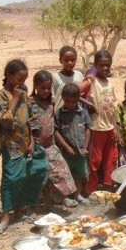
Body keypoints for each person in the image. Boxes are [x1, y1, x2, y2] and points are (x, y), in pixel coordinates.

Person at [0, 59, 48, 233]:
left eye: (24, 80)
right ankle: (6, 216)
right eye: (18, 78)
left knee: (38, 169)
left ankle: (24, 207)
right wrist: (15, 98)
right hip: (11, 145)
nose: (21, 83)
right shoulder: (0, 96)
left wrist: (32, 141)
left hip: (27, 142)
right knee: (11, 179)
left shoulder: (24, 94)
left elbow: (31, 118)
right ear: (8, 75)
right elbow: (6, 121)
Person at [29, 70, 77, 209]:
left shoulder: (51, 103)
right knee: (43, 175)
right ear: (35, 87)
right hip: (36, 147)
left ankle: (63, 198)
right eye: (42, 88)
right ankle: (45, 202)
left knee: (61, 171)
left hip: (50, 145)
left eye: (48, 88)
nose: (45, 91)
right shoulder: (30, 103)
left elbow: (54, 125)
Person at [85, 50, 118, 194]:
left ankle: (108, 185)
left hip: (109, 127)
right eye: (102, 65)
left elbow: (112, 108)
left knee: (111, 158)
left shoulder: (109, 84)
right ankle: (90, 188)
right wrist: (88, 77)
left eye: (108, 65)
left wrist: (115, 127)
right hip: (97, 127)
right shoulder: (92, 81)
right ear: (95, 65)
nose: (105, 68)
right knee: (94, 161)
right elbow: (75, 92)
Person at [54, 83, 91, 204]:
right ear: (63, 98)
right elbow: (56, 132)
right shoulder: (59, 113)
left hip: (80, 151)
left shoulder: (83, 113)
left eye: (74, 101)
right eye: (67, 101)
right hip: (66, 152)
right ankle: (65, 197)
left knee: (79, 174)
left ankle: (78, 195)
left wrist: (85, 146)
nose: (70, 104)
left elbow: (87, 129)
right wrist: (66, 147)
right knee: (65, 174)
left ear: (78, 99)